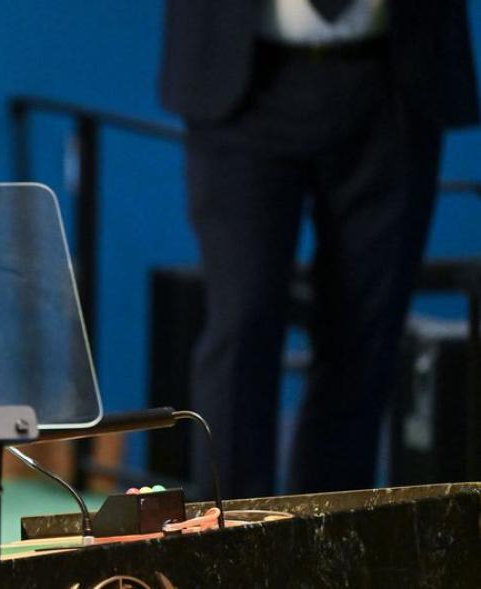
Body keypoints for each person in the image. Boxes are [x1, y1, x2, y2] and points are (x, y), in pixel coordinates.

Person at [159, 0, 479, 499]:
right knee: (243, 323)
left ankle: (328, 551)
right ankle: (233, 552)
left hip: (396, 78)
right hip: (240, 82)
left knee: (366, 338)